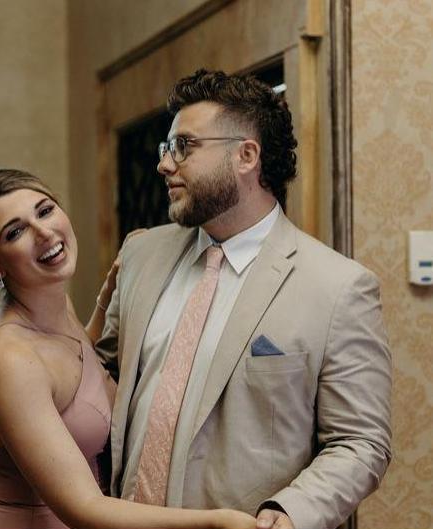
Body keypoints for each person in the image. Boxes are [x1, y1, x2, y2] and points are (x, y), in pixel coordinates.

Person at [96, 69, 392, 529]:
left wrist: (290, 512)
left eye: (184, 146)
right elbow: (101, 382)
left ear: (246, 156)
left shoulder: (338, 288)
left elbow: (360, 441)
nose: (165, 165)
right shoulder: (140, 256)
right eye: (166, 148)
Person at [0, 167, 259, 529]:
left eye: (45, 211)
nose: (43, 232)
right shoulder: (9, 362)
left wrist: (111, 290)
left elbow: (73, 366)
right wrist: (216, 522)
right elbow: (82, 507)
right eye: (15, 232)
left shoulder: (56, 309)